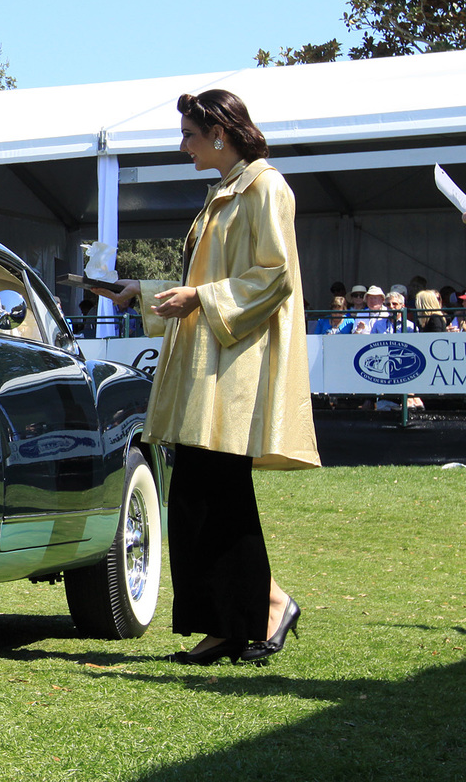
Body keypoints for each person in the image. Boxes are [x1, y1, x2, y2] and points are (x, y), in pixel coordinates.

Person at [92, 89, 318, 667]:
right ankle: (251, 613)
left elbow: (275, 276)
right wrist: (140, 292)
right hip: (208, 366)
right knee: (201, 493)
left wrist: (199, 296)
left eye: (189, 134)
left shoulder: (266, 187)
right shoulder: (223, 194)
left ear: (219, 132)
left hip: (234, 369)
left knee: (215, 493)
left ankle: (249, 617)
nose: (183, 144)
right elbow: (210, 280)